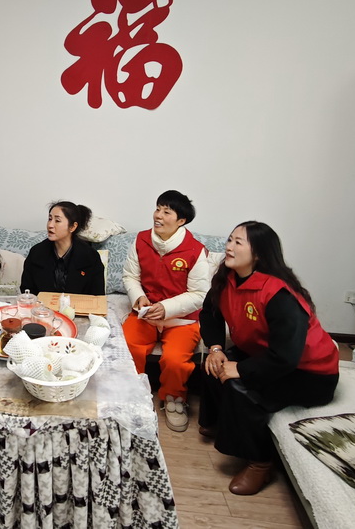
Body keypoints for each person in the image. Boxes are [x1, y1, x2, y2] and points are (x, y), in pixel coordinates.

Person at [199, 221, 339, 496]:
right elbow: (209, 313)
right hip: (265, 353)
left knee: (242, 387)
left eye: (238, 242)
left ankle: (260, 463)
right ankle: (221, 424)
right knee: (213, 365)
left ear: (259, 254)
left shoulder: (279, 294)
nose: (229, 247)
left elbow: (287, 355)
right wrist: (216, 349)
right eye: (230, 240)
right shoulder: (227, 278)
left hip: (309, 372)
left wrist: (242, 369)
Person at [122, 190, 210, 432]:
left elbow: (199, 294)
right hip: (146, 314)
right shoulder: (141, 240)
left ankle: (174, 399)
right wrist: (139, 297)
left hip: (181, 320)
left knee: (175, 360)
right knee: (128, 346)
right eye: (157, 209)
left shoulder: (195, 251)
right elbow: (130, 276)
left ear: (181, 220)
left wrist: (166, 308)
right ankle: (131, 393)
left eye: (166, 212)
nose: (158, 216)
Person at [21, 201, 106, 295]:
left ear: (73, 227)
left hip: (79, 304)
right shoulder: (36, 253)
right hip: (42, 304)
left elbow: (98, 296)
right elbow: (27, 290)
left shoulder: (90, 256)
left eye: (57, 221)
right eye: (50, 219)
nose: (50, 225)